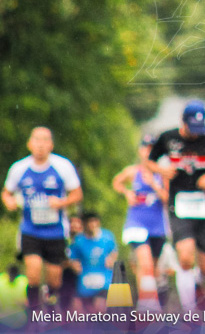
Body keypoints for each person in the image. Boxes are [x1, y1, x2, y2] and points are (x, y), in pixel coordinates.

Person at [146, 100, 205, 311]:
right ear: (183, 121)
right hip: (180, 204)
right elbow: (149, 161)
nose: (196, 134)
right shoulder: (167, 137)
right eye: (192, 128)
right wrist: (162, 171)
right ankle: (190, 311)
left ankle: (197, 283)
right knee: (186, 257)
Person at [2, 127, 83, 316]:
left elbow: (77, 193)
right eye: (36, 140)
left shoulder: (63, 166)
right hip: (30, 230)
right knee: (33, 271)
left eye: (45, 140)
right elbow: (6, 192)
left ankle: (51, 307)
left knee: (54, 279)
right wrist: (9, 201)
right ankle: (33, 314)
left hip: (55, 231)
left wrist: (62, 202)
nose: (40, 145)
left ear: (51, 144)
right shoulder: (19, 168)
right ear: (29, 144)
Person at [112, 134, 169, 310]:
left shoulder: (163, 174)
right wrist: (127, 193)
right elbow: (116, 182)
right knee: (145, 263)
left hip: (157, 225)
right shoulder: (133, 171)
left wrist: (153, 184)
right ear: (140, 150)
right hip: (136, 223)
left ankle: (144, 302)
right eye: (146, 148)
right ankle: (148, 308)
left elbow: (167, 198)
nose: (148, 152)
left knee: (151, 268)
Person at [68, 212, 117, 313]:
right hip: (85, 283)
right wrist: (74, 265)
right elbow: (72, 257)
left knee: (100, 309)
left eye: (94, 221)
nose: (92, 225)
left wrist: (111, 259)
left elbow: (114, 252)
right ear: (84, 224)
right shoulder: (79, 240)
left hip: (103, 281)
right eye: (88, 222)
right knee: (84, 313)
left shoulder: (107, 237)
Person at [0, 263, 29, 328]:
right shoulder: (24, 280)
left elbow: (28, 302)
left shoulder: (23, 281)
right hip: (5, 320)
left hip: (19, 320)